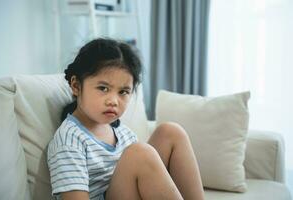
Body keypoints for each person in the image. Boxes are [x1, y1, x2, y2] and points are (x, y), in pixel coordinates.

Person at [47, 38, 204, 200]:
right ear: (76, 86)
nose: (113, 101)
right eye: (103, 88)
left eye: (123, 92)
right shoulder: (69, 140)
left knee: (171, 132)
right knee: (138, 153)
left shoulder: (121, 132)